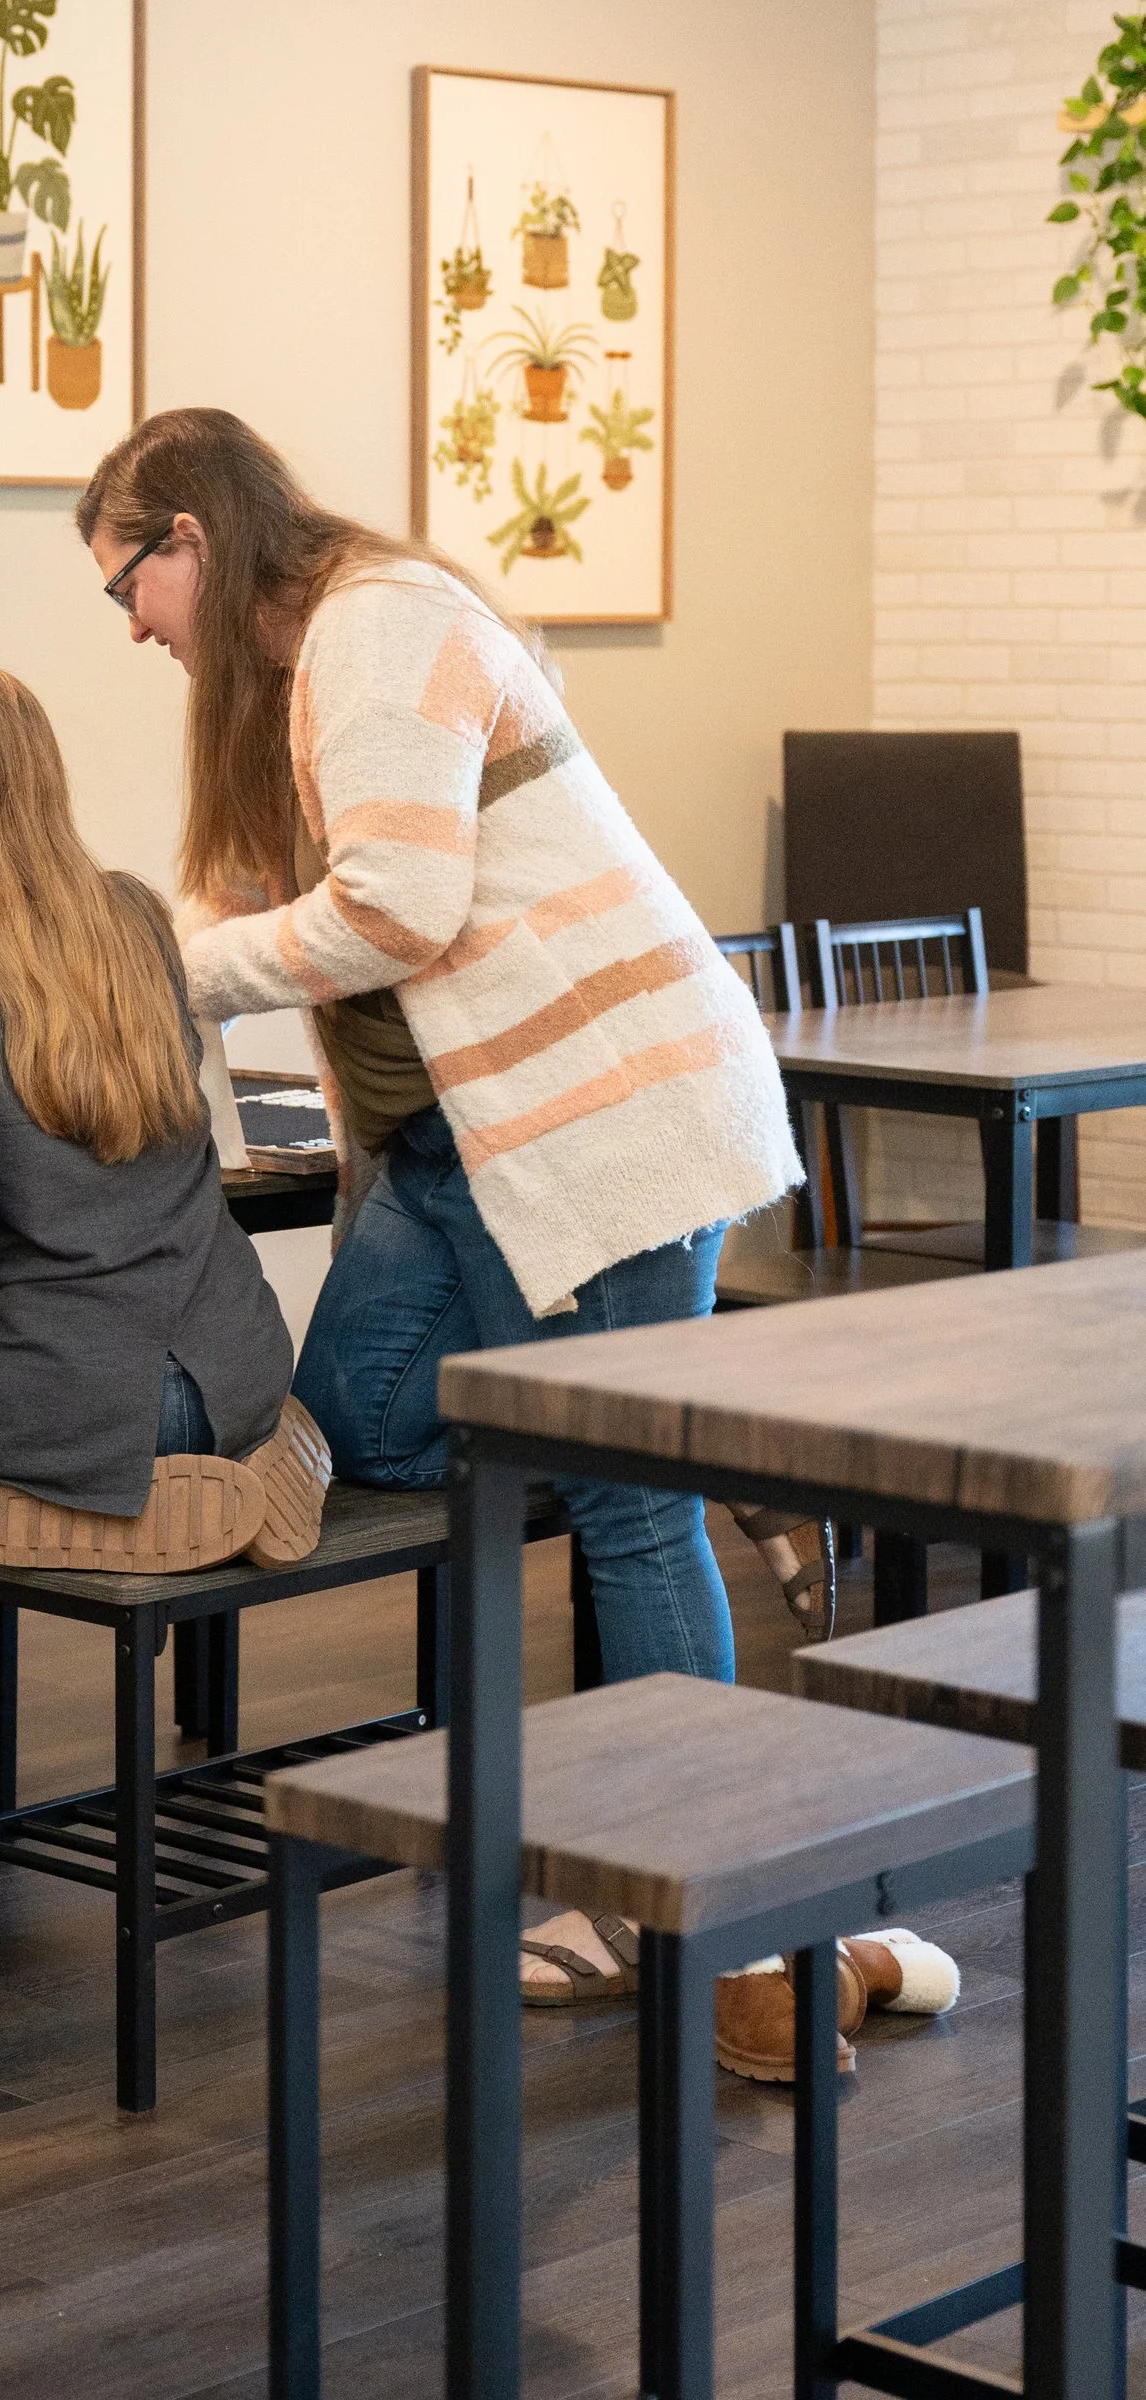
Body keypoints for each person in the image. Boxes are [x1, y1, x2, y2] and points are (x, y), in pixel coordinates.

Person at [78, 412, 826, 1980]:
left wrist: (178, 977)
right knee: (353, 1423)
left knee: (625, 1509)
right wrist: (138, 956)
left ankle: (700, 1912)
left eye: (126, 586)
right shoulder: (285, 682)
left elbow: (397, 907)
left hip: (602, 1118)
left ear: (190, 542)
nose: (131, 626)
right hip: (461, 1149)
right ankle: (704, 1446)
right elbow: (259, 889)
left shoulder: (380, 625)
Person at [0, 656, 330, 1572]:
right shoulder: (135, 917)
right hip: (238, 1368)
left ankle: (2, 1513)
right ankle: (244, 1459)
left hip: (60, 1405)